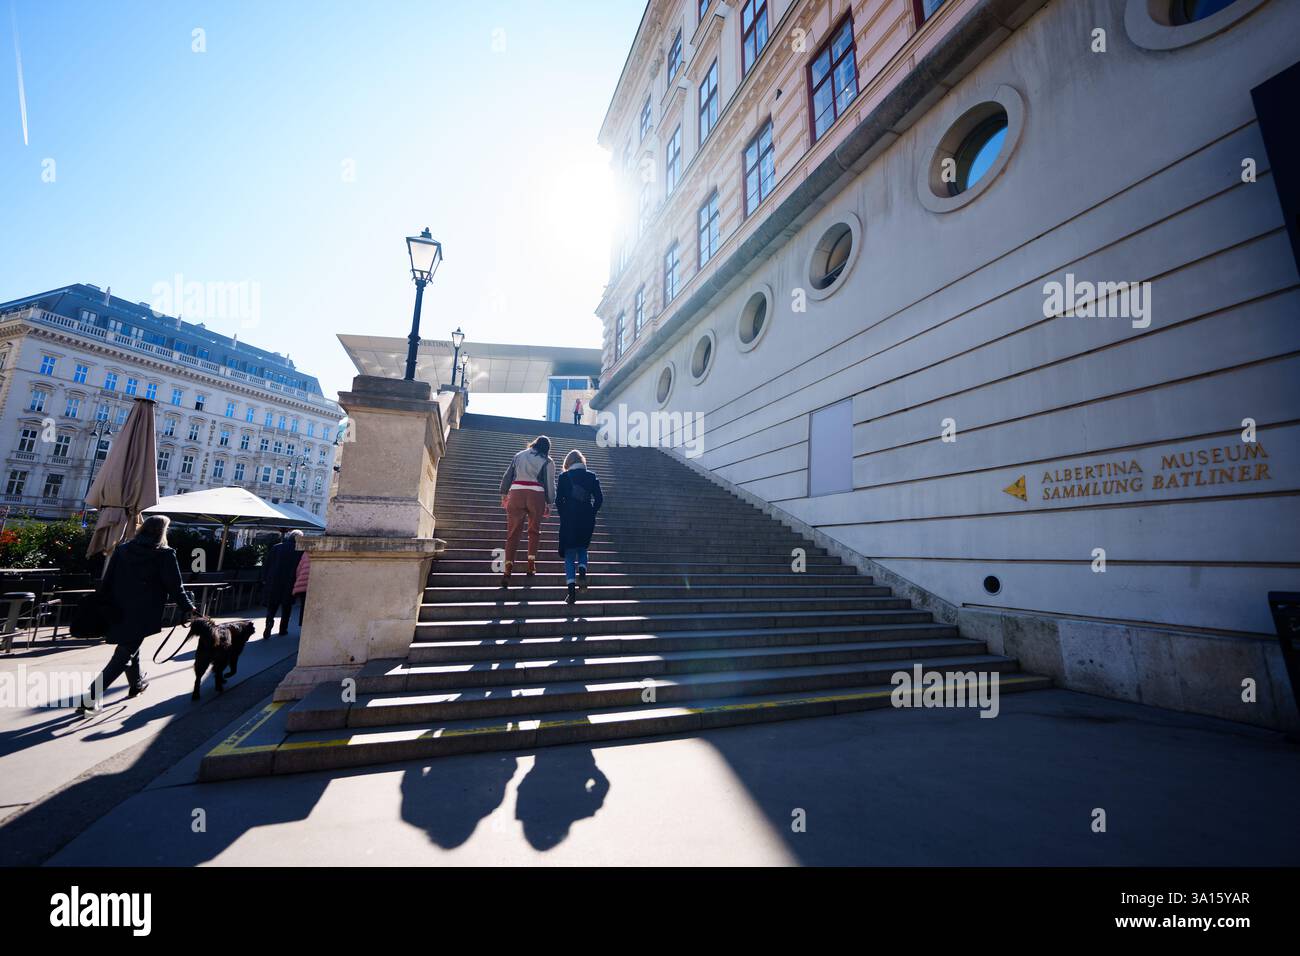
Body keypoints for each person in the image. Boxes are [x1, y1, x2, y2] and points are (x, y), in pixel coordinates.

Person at [78, 515, 197, 714]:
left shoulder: (123, 549)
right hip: (144, 610)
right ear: (162, 532)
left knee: (129, 646)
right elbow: (175, 586)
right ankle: (90, 697)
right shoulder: (164, 554)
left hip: (117, 607)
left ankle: (136, 684)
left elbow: (108, 579)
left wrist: (103, 602)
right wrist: (187, 606)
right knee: (124, 653)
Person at [499, 435, 554, 586]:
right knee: (534, 531)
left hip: (516, 492)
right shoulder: (548, 461)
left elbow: (508, 475)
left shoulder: (518, 455)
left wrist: (504, 494)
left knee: (513, 533)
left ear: (534, 444)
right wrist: (549, 503)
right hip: (536, 495)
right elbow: (550, 483)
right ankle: (531, 564)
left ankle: (508, 569)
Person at [555, 449, 603, 605]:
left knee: (569, 555)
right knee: (582, 547)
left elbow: (558, 500)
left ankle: (571, 592)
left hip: (569, 519)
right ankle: (582, 571)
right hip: (586, 517)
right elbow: (599, 499)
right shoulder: (591, 476)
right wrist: (592, 512)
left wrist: (564, 513)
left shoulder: (564, 477)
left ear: (568, 463)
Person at [262, 529, 303, 637]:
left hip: (274, 581)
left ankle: (269, 623)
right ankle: (283, 629)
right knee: (287, 606)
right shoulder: (299, 550)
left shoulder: (277, 547)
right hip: (289, 581)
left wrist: (265, 578)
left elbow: (267, 564)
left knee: (272, 605)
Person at [291, 548, 311, 627]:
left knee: (304, 607)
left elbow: (299, 569)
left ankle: (303, 628)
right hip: (313, 583)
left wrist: (298, 580)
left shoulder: (306, 553)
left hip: (303, 584)